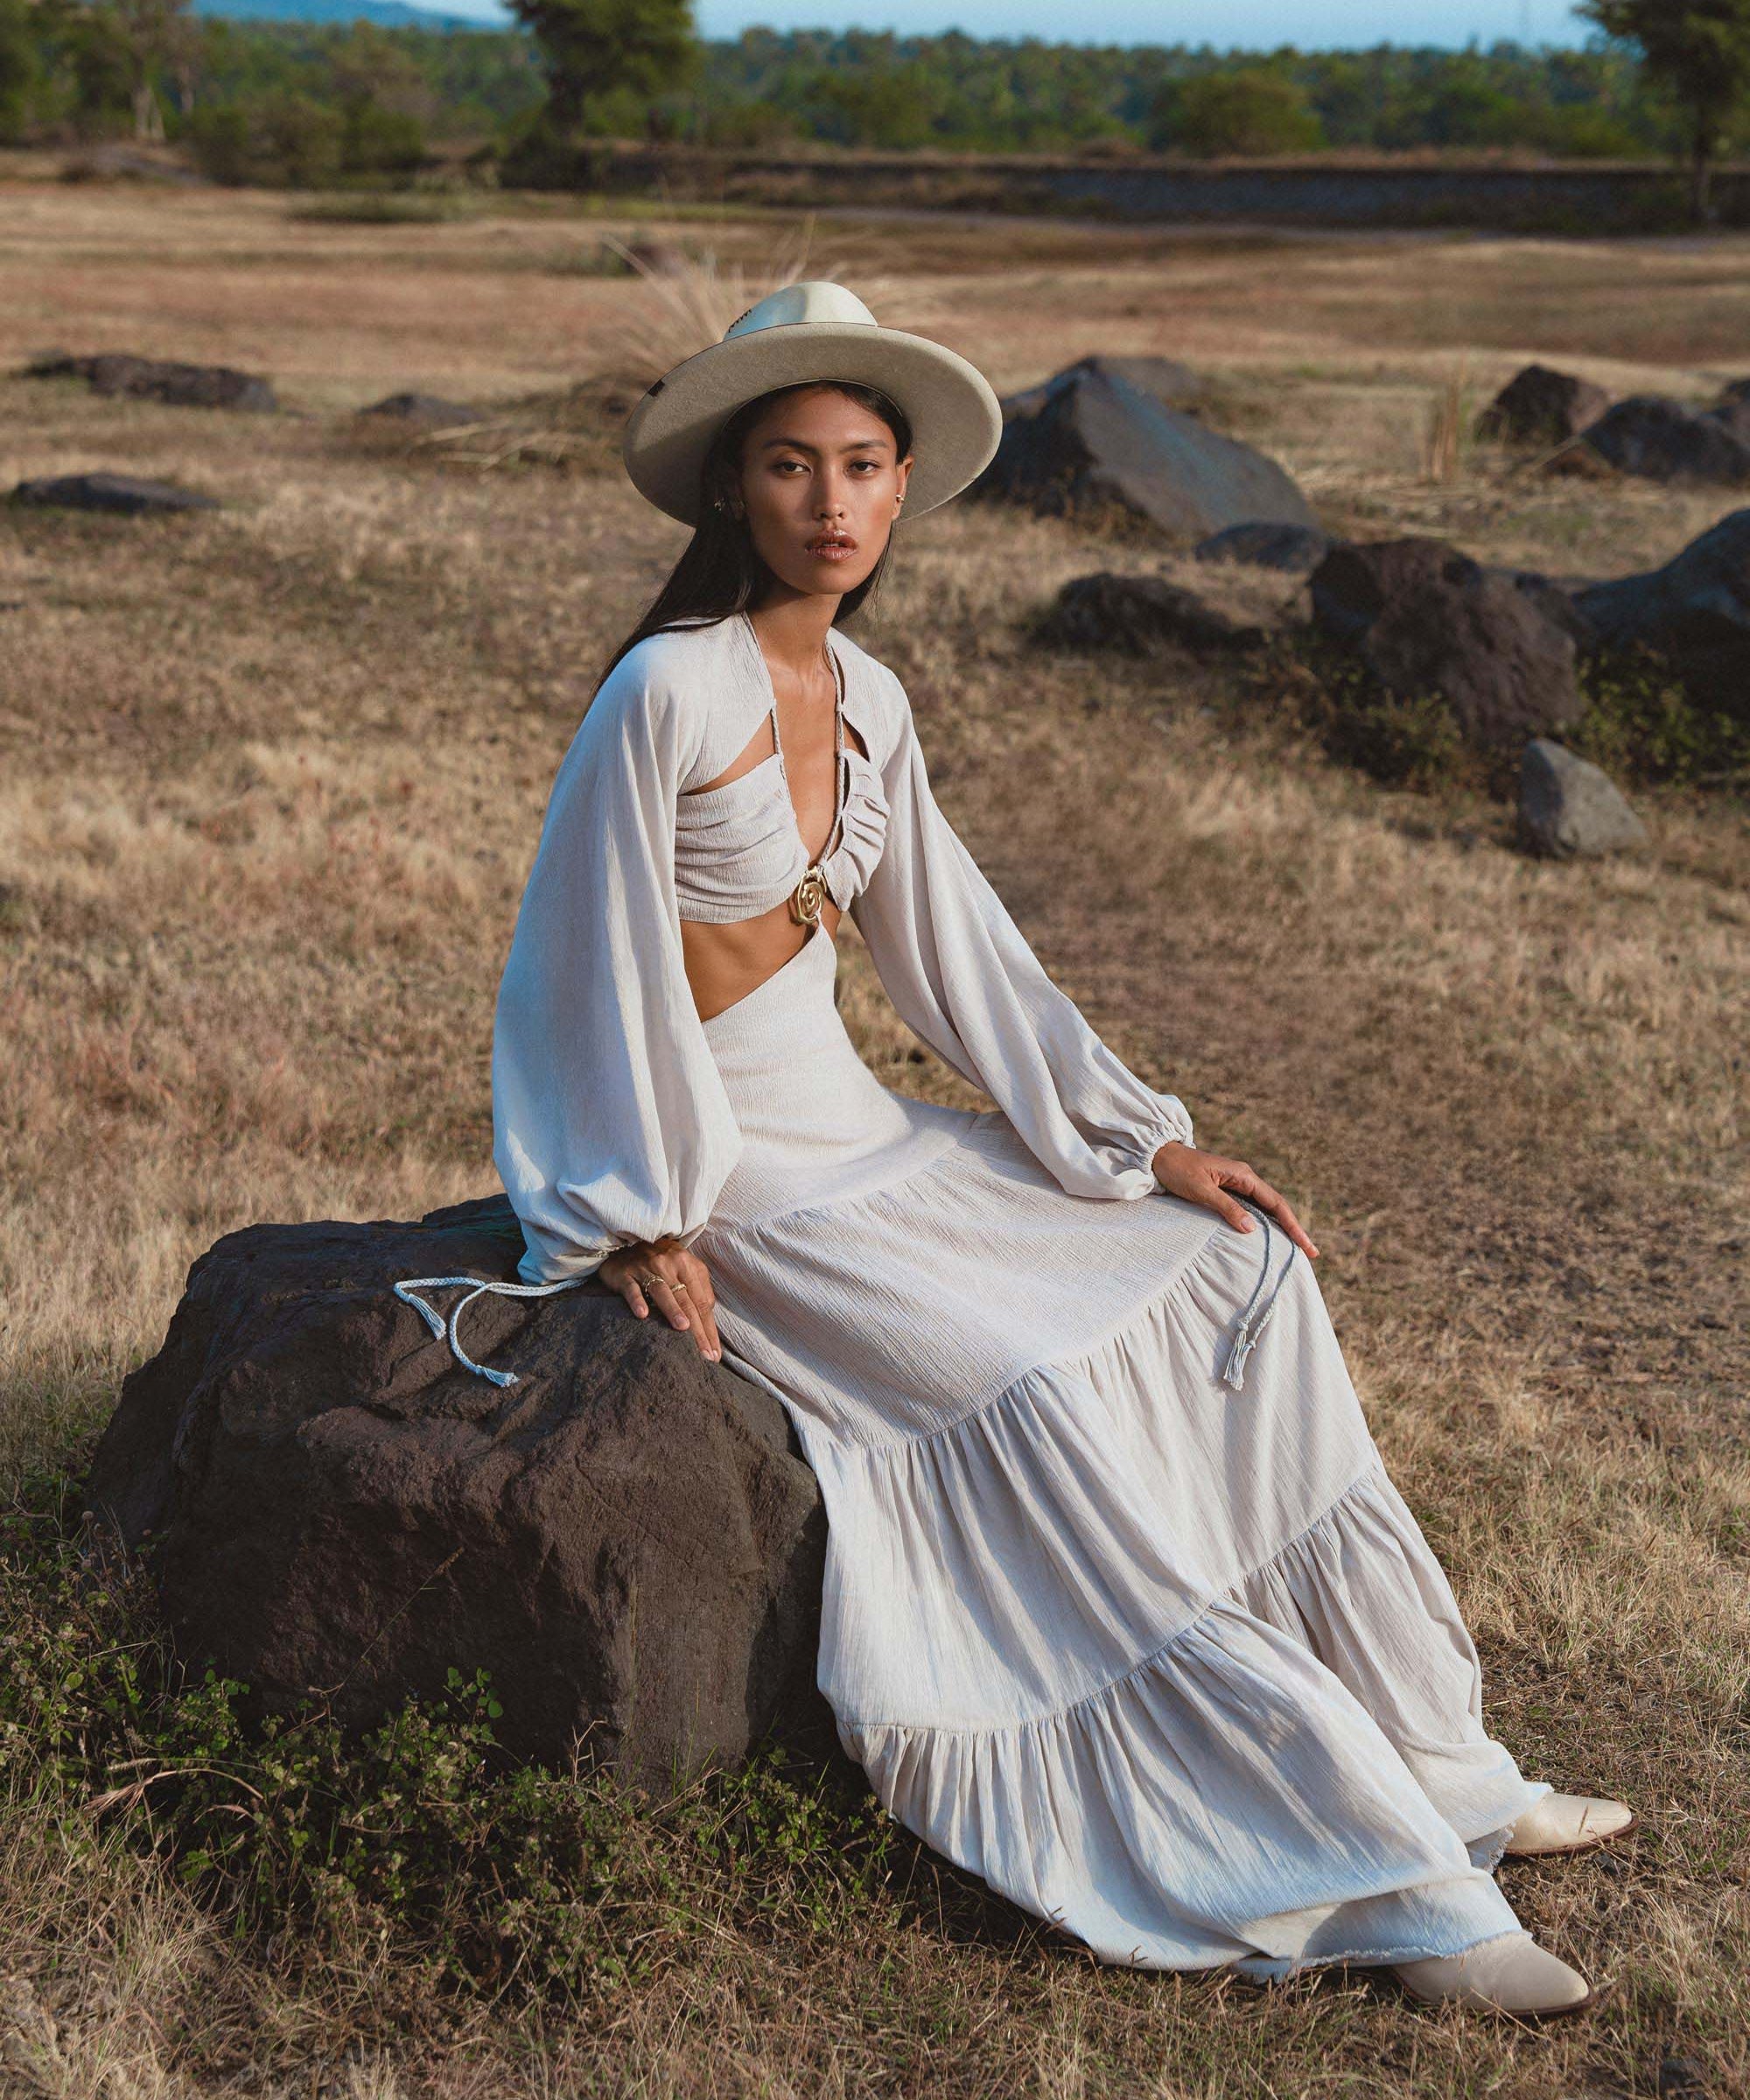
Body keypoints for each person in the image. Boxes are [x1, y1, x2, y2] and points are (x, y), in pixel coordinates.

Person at [399, 281, 1634, 2018]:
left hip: (874, 1135)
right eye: (787, 466)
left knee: (1238, 1270)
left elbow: (957, 950)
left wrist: (1139, 1147)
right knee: (1025, 1383)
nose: (829, 501)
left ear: (901, 492)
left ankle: (1438, 1768)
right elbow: (574, 964)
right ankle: (1371, 1879)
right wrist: (634, 1213)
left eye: (860, 466)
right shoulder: (663, 692)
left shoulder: (875, 698)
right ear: (727, 493)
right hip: (743, 1176)